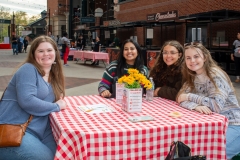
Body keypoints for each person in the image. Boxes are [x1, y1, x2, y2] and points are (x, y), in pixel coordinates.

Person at [0, 35, 66, 160]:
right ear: (34, 55)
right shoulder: (28, 69)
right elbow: (27, 101)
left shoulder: (54, 77)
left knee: (60, 153)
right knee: (45, 157)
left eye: (49, 50)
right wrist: (57, 106)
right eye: (40, 51)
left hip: (41, 131)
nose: (46, 54)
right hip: (12, 130)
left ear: (55, 53)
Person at [176, 42, 240, 160]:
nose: (192, 61)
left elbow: (215, 106)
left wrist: (189, 96)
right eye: (188, 58)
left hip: (233, 125)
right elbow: (180, 97)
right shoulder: (194, 75)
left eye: (196, 56)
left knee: (213, 154)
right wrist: (194, 106)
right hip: (213, 125)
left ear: (204, 57)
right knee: (195, 150)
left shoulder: (215, 75)